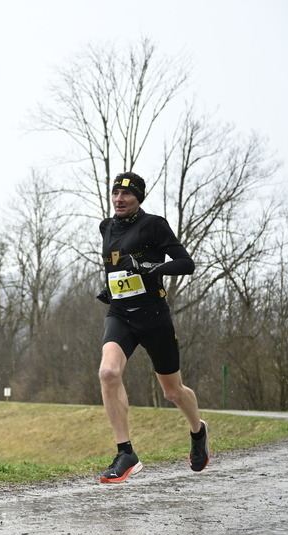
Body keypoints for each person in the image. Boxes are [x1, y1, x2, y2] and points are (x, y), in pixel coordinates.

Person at [96, 171, 211, 483]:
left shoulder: (154, 225)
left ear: (138, 198)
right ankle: (126, 453)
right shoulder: (106, 227)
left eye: (127, 195)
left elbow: (186, 264)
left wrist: (149, 268)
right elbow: (115, 265)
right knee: (108, 373)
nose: (119, 200)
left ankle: (198, 431)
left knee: (172, 391)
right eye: (115, 194)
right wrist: (111, 287)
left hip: (153, 316)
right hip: (120, 314)